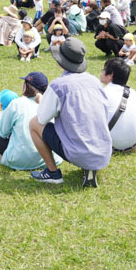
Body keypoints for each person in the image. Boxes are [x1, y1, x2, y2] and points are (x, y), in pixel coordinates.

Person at [29, 37, 112, 187]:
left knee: (34, 124)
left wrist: (41, 101)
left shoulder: (58, 85)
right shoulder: (94, 81)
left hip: (77, 151)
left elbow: (42, 118)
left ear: (60, 61)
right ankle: (90, 166)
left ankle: (52, 173)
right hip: (103, 150)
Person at [0, 72, 58, 170]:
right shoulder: (50, 103)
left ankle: (3, 158)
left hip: (20, 159)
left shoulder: (16, 103)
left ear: (25, 86)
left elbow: (3, 133)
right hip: (51, 158)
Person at [99, 58, 136, 152]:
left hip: (110, 145)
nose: (101, 72)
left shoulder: (103, 93)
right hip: (132, 143)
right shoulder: (132, 92)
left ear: (111, 75)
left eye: (104, 70)